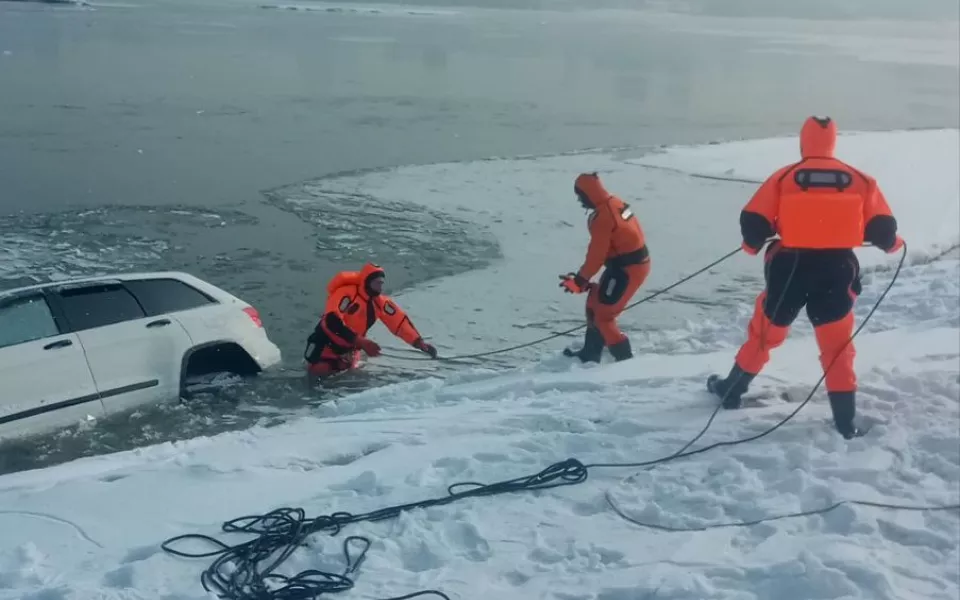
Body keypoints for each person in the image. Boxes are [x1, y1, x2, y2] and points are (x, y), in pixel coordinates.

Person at [706, 116, 904, 439]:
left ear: (803, 143)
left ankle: (732, 389)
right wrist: (894, 244)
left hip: (789, 268)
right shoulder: (860, 180)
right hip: (837, 270)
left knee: (764, 334)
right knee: (837, 346)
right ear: (833, 142)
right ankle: (844, 422)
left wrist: (751, 245)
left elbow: (754, 221)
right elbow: (883, 230)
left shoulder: (785, 176)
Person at [559, 172, 652, 363]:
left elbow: (597, 255)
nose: (579, 201)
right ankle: (590, 353)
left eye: (580, 197)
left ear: (588, 195)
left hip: (630, 269)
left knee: (604, 316)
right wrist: (581, 280)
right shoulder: (615, 203)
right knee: (594, 301)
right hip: (623, 265)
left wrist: (580, 280)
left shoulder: (604, 217)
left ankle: (624, 360)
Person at [303, 262, 438, 378]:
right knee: (318, 376)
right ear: (367, 281)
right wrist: (360, 341)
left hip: (350, 351)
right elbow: (332, 321)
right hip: (327, 346)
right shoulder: (346, 294)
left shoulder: (380, 303)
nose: (380, 287)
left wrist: (418, 342)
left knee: (347, 382)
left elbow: (399, 322)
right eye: (376, 283)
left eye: (381, 283)